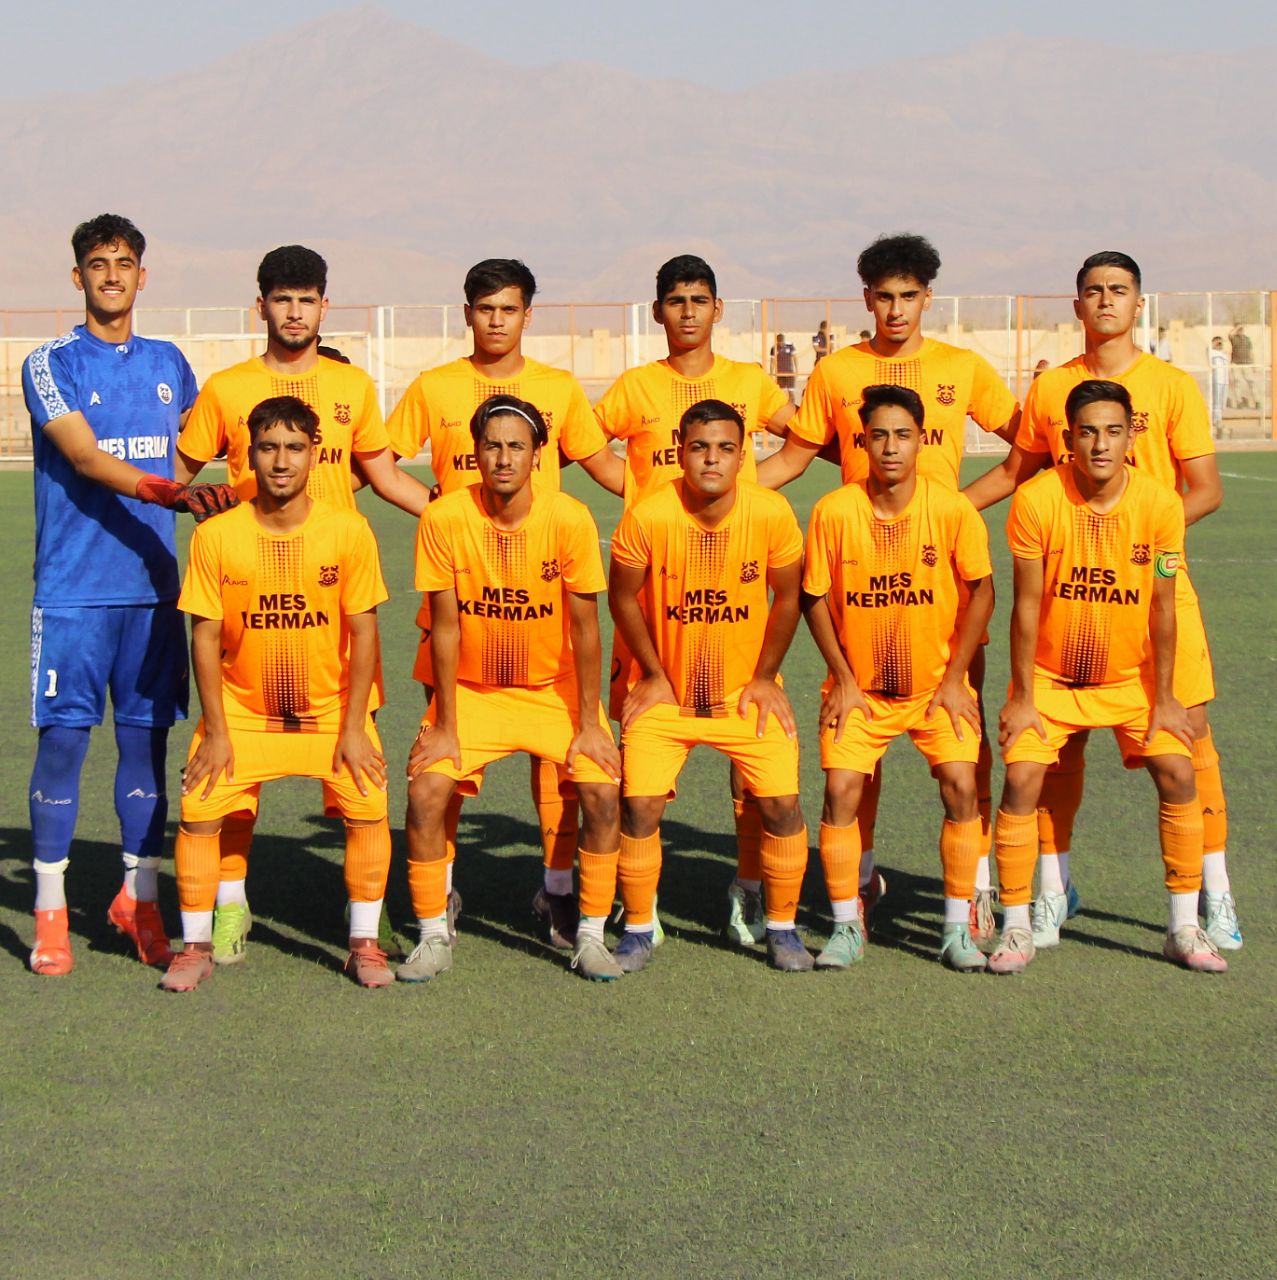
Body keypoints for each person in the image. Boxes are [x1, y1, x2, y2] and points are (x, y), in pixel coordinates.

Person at [963, 250, 1239, 951]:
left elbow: (1205, 489)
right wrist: (945, 514)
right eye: (1094, 291)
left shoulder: (1171, 386)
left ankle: (1214, 896)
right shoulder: (1053, 387)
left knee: (1188, 741)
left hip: (1153, 593)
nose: (1106, 300)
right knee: (1055, 751)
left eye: (1119, 290)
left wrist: (1133, 536)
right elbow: (1017, 472)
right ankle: (1052, 891)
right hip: (1068, 599)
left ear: (1138, 303)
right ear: (1077, 304)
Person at [758, 232, 1020, 942]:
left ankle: (977, 888)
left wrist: (962, 505)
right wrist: (712, 493)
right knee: (854, 752)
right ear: (866, 299)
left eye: (908, 295)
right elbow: (792, 457)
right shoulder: (837, 372)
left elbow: (1027, 447)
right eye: (883, 296)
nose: (896, 309)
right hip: (860, 584)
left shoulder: (962, 368)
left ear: (927, 298)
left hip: (942, 588)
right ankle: (861, 881)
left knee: (963, 740)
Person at [174, 245, 429, 963]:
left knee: (355, 775)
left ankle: (362, 919)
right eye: (281, 299)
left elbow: (382, 474)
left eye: (306, 299)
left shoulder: (352, 386)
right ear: (261, 305)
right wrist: (188, 499)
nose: (294, 312)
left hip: (330, 609)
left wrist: (454, 516)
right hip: (248, 597)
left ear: (324, 305)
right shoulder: (227, 388)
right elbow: (178, 474)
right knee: (232, 779)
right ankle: (230, 904)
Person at [387, 258, 624, 953]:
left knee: (563, 772)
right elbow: (376, 460)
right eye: (485, 308)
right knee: (443, 764)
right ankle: (441, 892)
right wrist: (435, 508)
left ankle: (559, 892)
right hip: (462, 601)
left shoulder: (558, 390)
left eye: (509, 309)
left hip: (542, 609)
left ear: (527, 315)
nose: (496, 320)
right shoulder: (435, 387)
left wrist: (684, 500)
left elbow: (604, 467)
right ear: (467, 313)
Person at [22, 213, 237, 976]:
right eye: (97, 263)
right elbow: (84, 457)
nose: (111, 275)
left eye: (123, 263)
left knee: (147, 745)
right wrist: (170, 493)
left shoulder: (169, 362)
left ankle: (138, 901)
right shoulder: (49, 363)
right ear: (77, 276)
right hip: (73, 595)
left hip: (153, 594)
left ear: (143, 276)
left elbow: (203, 442)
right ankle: (50, 913)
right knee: (64, 745)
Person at [989, 380, 1225, 975]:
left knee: (1179, 769)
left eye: (1113, 432)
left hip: (1132, 681)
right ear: (1068, 438)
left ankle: (1184, 925)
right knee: (1021, 778)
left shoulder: (1162, 505)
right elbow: (1025, 607)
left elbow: (1164, 607)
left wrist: (1165, 698)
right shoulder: (1037, 500)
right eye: (1088, 432)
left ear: (1131, 438)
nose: (1100, 444)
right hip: (1053, 679)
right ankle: (1016, 925)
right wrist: (1022, 697)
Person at [595, 255, 798, 947]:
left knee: (758, 786)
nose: (687, 311)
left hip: (734, 615)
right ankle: (631, 909)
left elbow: (805, 438)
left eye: (699, 299)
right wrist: (636, 490)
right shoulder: (637, 387)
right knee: (636, 786)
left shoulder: (748, 381)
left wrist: (759, 484)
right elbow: (583, 444)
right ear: (658, 310)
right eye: (675, 300)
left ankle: (754, 890)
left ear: (718, 309)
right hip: (660, 612)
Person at [160, 396, 395, 991]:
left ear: (316, 455)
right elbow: (204, 638)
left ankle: (364, 944)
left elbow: (365, 635)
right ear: (247, 457)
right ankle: (194, 946)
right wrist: (216, 732)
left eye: (294, 448)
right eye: (268, 448)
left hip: (329, 713)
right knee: (199, 809)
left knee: (369, 803)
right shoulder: (217, 535)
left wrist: (354, 727)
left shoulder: (348, 530)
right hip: (243, 712)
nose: (281, 461)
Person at [608, 399, 811, 973]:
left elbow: (788, 597)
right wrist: (652, 673)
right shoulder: (649, 514)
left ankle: (782, 927)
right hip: (668, 695)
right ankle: (640, 926)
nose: (712, 459)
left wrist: (765, 678)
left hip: (744, 694)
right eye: (699, 447)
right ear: (680, 451)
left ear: (744, 455)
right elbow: (622, 595)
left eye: (725, 448)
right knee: (639, 805)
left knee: (781, 805)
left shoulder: (770, 511)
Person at [802, 385, 994, 971]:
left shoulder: (952, 510)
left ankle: (957, 929)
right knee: (840, 791)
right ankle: (846, 925)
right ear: (862, 442)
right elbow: (813, 597)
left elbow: (983, 593)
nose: (890, 447)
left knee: (961, 785)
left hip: (936, 688)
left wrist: (957, 678)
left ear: (921, 441)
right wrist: (843, 680)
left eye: (902, 435)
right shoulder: (834, 511)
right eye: (879, 435)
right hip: (861, 691)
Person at [1228, 322, 1254, 408]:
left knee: (1251, 382)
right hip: (1236, 363)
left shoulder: (1247, 339)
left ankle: (1257, 401)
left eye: (1241, 329)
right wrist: (1237, 328)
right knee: (1237, 382)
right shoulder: (1234, 338)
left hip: (1247, 363)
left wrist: (1253, 364)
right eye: (1239, 329)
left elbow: (1251, 352)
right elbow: (1230, 334)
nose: (1241, 330)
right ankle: (1239, 402)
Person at [1208, 337, 1228, 434]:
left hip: (1224, 381)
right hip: (1217, 380)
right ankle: (1215, 420)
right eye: (1218, 343)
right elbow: (1208, 349)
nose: (1220, 345)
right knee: (1216, 402)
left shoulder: (1224, 355)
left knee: (1222, 403)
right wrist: (1214, 344)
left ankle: (1219, 419)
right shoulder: (1211, 352)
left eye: (1221, 343)